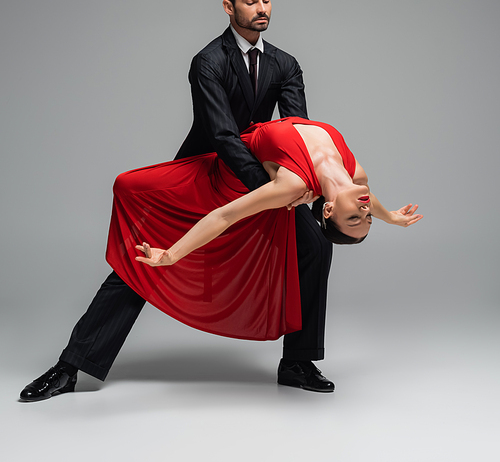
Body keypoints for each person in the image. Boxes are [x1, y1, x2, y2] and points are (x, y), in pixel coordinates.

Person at [20, 0, 334, 401]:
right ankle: (70, 367)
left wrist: (293, 189)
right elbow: (222, 135)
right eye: (250, 2)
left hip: (263, 179)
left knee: (315, 244)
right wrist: (268, 192)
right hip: (206, 171)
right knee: (143, 260)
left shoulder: (285, 63)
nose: (261, 9)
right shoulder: (208, 61)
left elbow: (299, 130)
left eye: (266, 0)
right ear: (228, 7)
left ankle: (298, 361)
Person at [106, 116, 422, 356]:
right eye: (366, 218)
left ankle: (299, 361)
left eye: (354, 217)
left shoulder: (294, 187)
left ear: (327, 211)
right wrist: (391, 217)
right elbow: (368, 198)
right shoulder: (357, 176)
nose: (365, 210)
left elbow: (224, 215)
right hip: (241, 136)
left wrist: (172, 255)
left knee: (129, 185)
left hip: (227, 176)